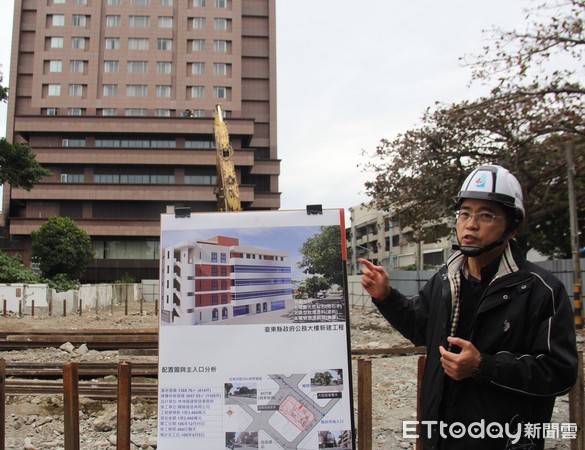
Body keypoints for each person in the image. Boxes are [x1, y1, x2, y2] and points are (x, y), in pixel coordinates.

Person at [359, 164, 578, 450]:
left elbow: (559, 372)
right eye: (465, 213)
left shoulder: (540, 290)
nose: (470, 224)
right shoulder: (445, 279)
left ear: (511, 227)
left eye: (486, 215)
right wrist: (386, 296)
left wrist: (483, 366)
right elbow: (421, 328)